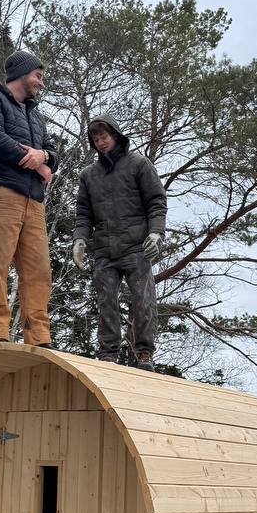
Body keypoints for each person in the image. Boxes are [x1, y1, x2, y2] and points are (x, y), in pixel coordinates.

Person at [0, 50, 59, 346]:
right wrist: (34, 159)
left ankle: (38, 336)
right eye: (38, 76)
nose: (41, 83)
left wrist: (43, 155)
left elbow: (52, 152)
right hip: (0, 193)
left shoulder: (37, 116)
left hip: (34, 202)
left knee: (39, 270)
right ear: (21, 72)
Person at [72, 116, 167, 370]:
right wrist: (80, 239)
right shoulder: (88, 175)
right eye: (96, 139)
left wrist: (156, 233)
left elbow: (156, 202)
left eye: (104, 137)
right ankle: (108, 354)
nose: (101, 142)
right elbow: (83, 213)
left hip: (137, 245)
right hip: (104, 248)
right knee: (106, 301)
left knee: (142, 299)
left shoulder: (139, 164)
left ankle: (144, 352)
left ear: (115, 135)